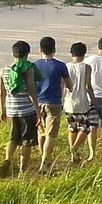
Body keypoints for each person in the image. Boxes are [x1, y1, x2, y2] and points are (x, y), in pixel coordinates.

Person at [0, 40, 41, 175]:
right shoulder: (28, 69)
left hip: (12, 110)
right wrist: (38, 111)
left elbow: (1, 93)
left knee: (13, 138)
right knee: (27, 141)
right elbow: (32, 92)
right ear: (27, 53)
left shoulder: (3, 70)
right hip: (27, 110)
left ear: (13, 53)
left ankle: (7, 159)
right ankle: (23, 170)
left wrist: (2, 110)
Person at [31, 36, 68, 174]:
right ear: (54, 49)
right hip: (54, 102)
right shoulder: (60, 66)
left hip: (38, 102)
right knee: (51, 135)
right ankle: (45, 163)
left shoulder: (34, 65)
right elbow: (69, 84)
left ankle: (43, 158)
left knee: (41, 132)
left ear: (40, 49)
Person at [63, 42, 98, 164]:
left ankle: (74, 156)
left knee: (72, 129)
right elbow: (88, 87)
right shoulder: (86, 67)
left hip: (69, 103)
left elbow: (63, 86)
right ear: (84, 53)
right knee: (85, 128)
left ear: (71, 53)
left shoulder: (66, 67)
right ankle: (74, 148)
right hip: (82, 103)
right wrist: (95, 102)